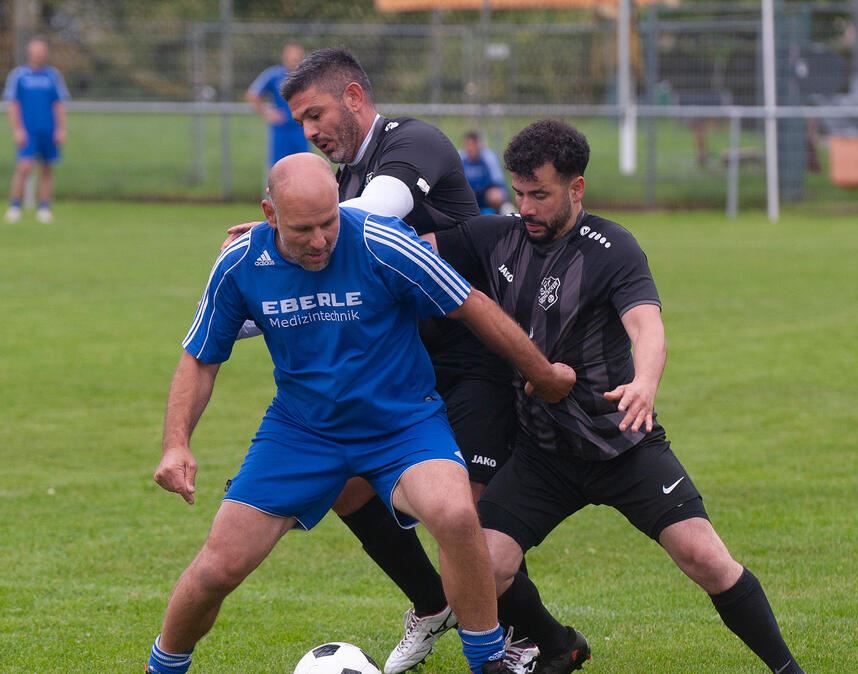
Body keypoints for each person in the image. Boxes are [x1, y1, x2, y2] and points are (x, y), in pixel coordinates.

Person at [144, 153, 575, 674]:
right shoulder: (239, 264)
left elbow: (472, 305)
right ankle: (163, 668)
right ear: (269, 213)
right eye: (304, 228)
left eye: (329, 222)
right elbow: (200, 357)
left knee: (457, 515)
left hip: (402, 424)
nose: (322, 239)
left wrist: (544, 374)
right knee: (218, 568)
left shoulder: (381, 241)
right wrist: (176, 442)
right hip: (301, 432)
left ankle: (488, 662)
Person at [436, 119, 803, 674]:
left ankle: (788, 670)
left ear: (575, 188)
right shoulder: (497, 237)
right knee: (480, 566)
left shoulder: (612, 249)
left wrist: (645, 382)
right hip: (542, 455)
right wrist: (301, 231)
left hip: (622, 447)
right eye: (520, 193)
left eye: (541, 194)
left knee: (705, 557)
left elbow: (647, 327)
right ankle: (558, 643)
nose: (527, 206)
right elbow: (404, 250)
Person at [224, 48, 534, 672]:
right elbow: (314, 279)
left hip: (474, 360)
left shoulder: (410, 144)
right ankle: (432, 603)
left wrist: (279, 237)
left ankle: (523, 641)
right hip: (407, 366)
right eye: (301, 121)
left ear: (355, 97)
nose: (309, 131)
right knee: (345, 485)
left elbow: (377, 215)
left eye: (315, 113)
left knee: (460, 515)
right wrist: (242, 307)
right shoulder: (340, 186)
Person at [3, 36, 68, 224]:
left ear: (45, 53)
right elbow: (13, 105)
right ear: (29, 53)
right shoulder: (19, 75)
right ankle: (15, 206)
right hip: (28, 130)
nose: (39, 55)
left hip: (48, 129)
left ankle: (44, 208)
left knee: (47, 168)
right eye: (35, 51)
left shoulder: (52, 76)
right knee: (24, 167)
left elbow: (58, 104)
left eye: (42, 51)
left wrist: (61, 129)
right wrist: (17, 129)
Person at [245, 42, 309, 169]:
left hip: (301, 130)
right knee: (279, 168)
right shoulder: (274, 75)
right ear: (285, 56)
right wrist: (267, 112)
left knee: (303, 167)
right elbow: (252, 94)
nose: (294, 59)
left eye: (297, 56)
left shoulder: (306, 77)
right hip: (281, 130)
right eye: (291, 55)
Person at [460, 130, 509, 214]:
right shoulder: (461, 157)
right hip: (468, 193)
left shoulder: (488, 157)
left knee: (495, 195)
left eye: (472, 144)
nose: (470, 148)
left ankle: (499, 215)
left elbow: (498, 182)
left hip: (485, 193)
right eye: (467, 145)